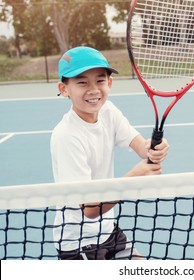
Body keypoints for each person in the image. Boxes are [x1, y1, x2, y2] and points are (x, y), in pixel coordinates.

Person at [51, 46, 169, 260]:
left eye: (100, 80)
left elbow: (141, 146)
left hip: (107, 232)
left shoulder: (108, 111)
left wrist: (154, 148)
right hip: (78, 243)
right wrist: (133, 178)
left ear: (110, 83)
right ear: (64, 88)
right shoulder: (67, 136)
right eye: (81, 82)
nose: (93, 89)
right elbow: (89, 209)